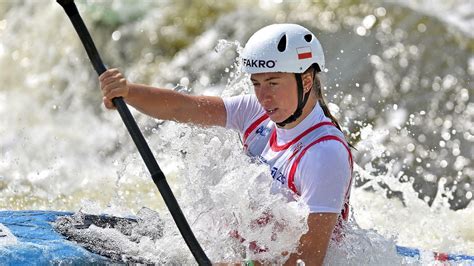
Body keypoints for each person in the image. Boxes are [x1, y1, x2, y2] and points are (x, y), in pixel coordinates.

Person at [99, 23, 353, 265]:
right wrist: (128, 92)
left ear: (306, 80)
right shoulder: (257, 113)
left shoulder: (324, 154)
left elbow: (308, 260)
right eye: (256, 83)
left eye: (273, 83)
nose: (264, 96)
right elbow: (183, 106)